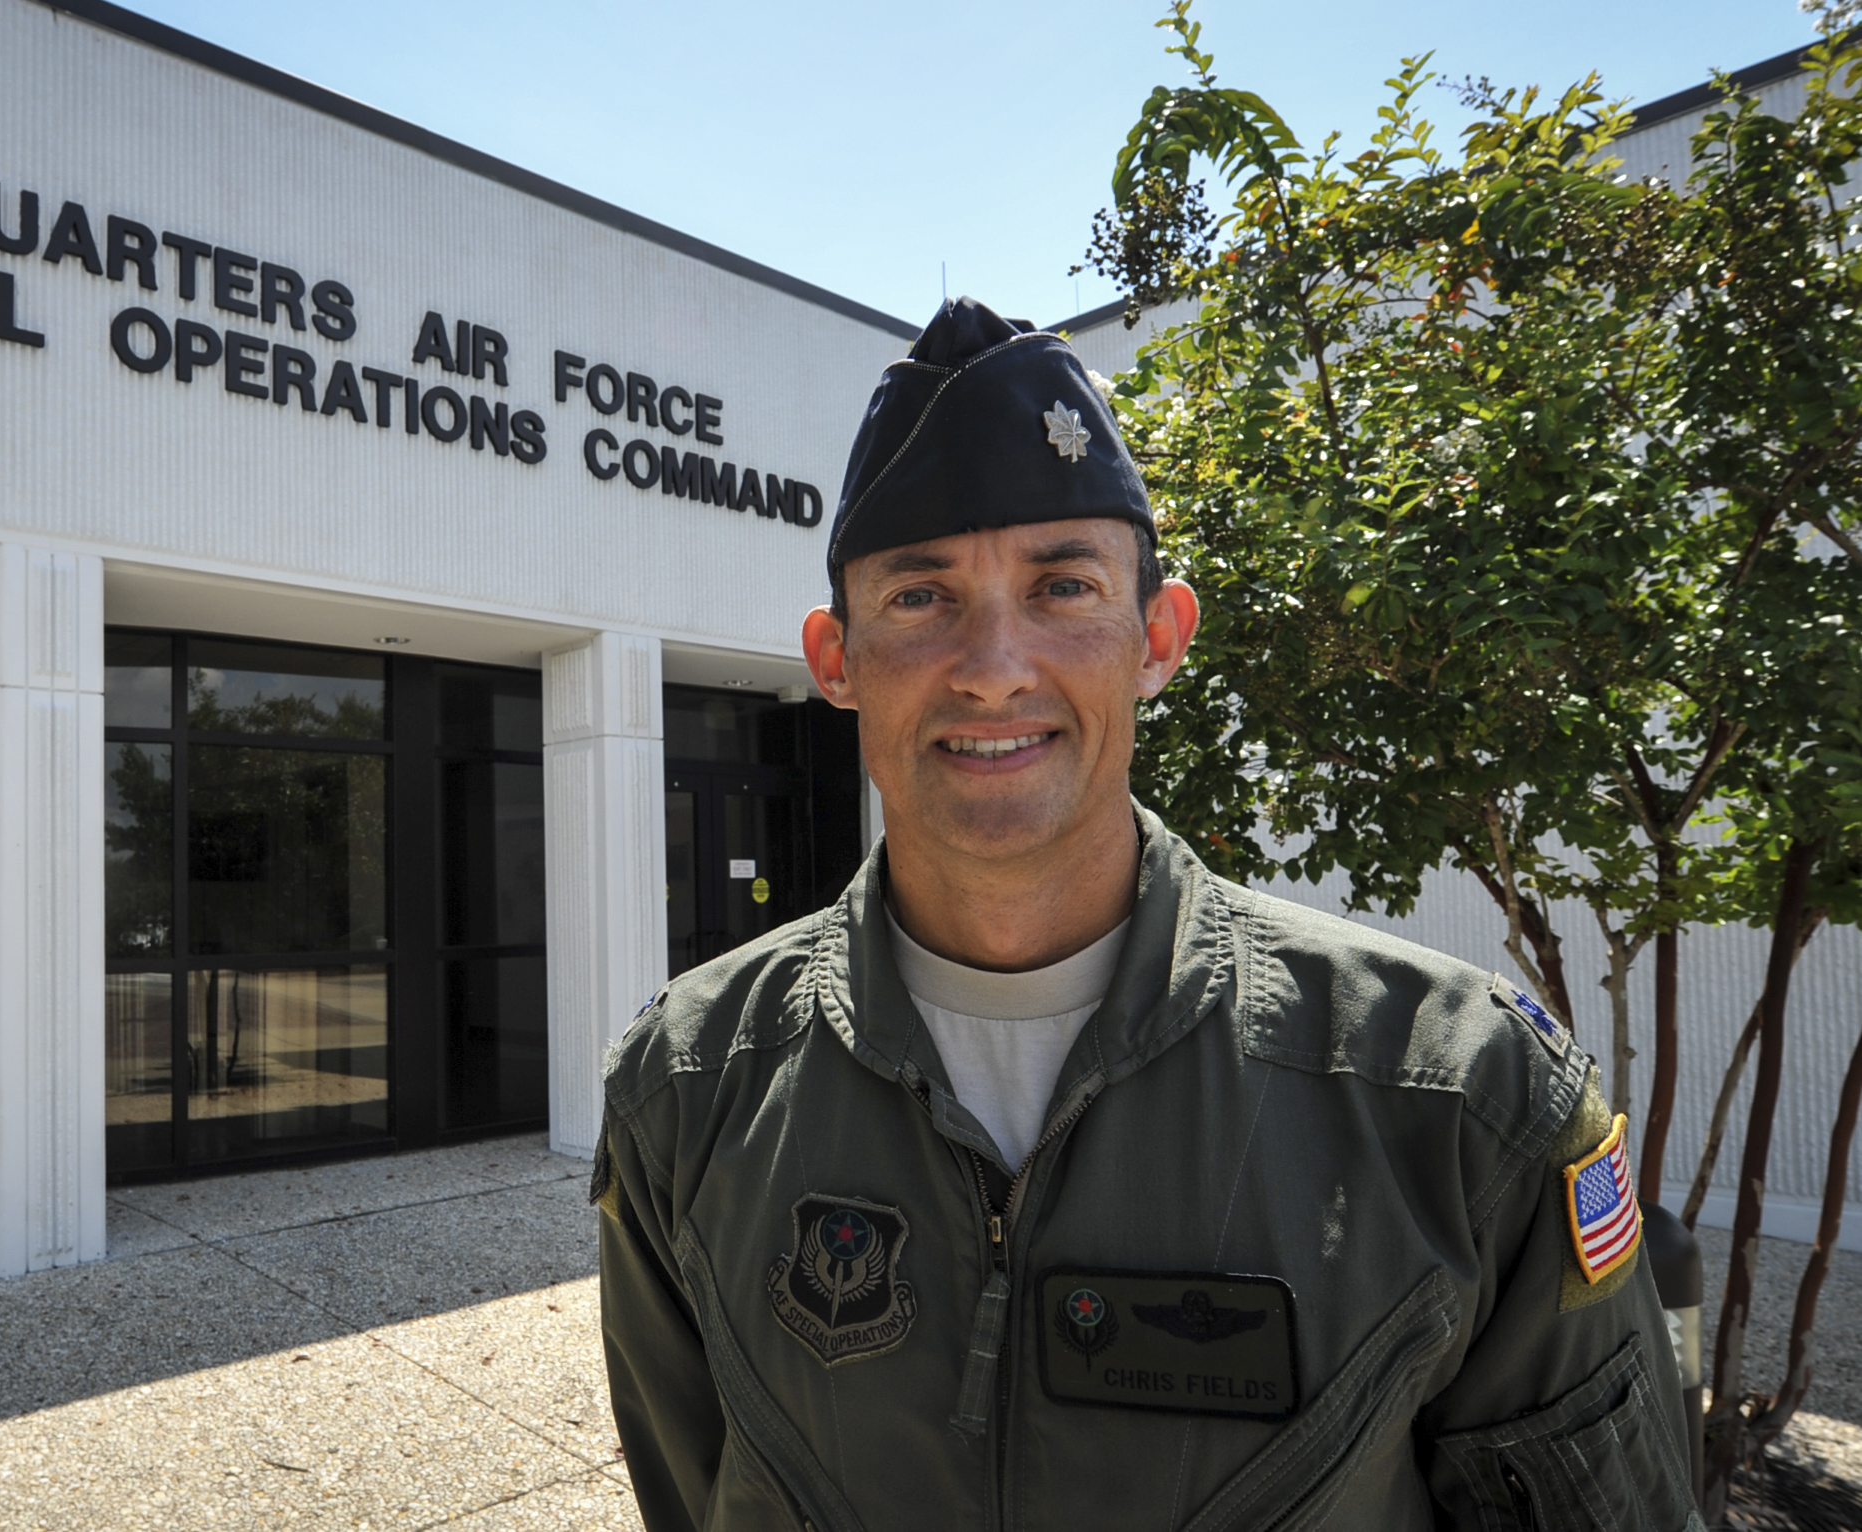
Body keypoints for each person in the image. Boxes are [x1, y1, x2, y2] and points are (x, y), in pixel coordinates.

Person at [591, 297, 1700, 1531]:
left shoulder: (1458, 1099)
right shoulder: (683, 1088)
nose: (993, 663)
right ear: (835, 657)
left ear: (1157, 640)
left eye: (1061, 584)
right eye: (919, 596)